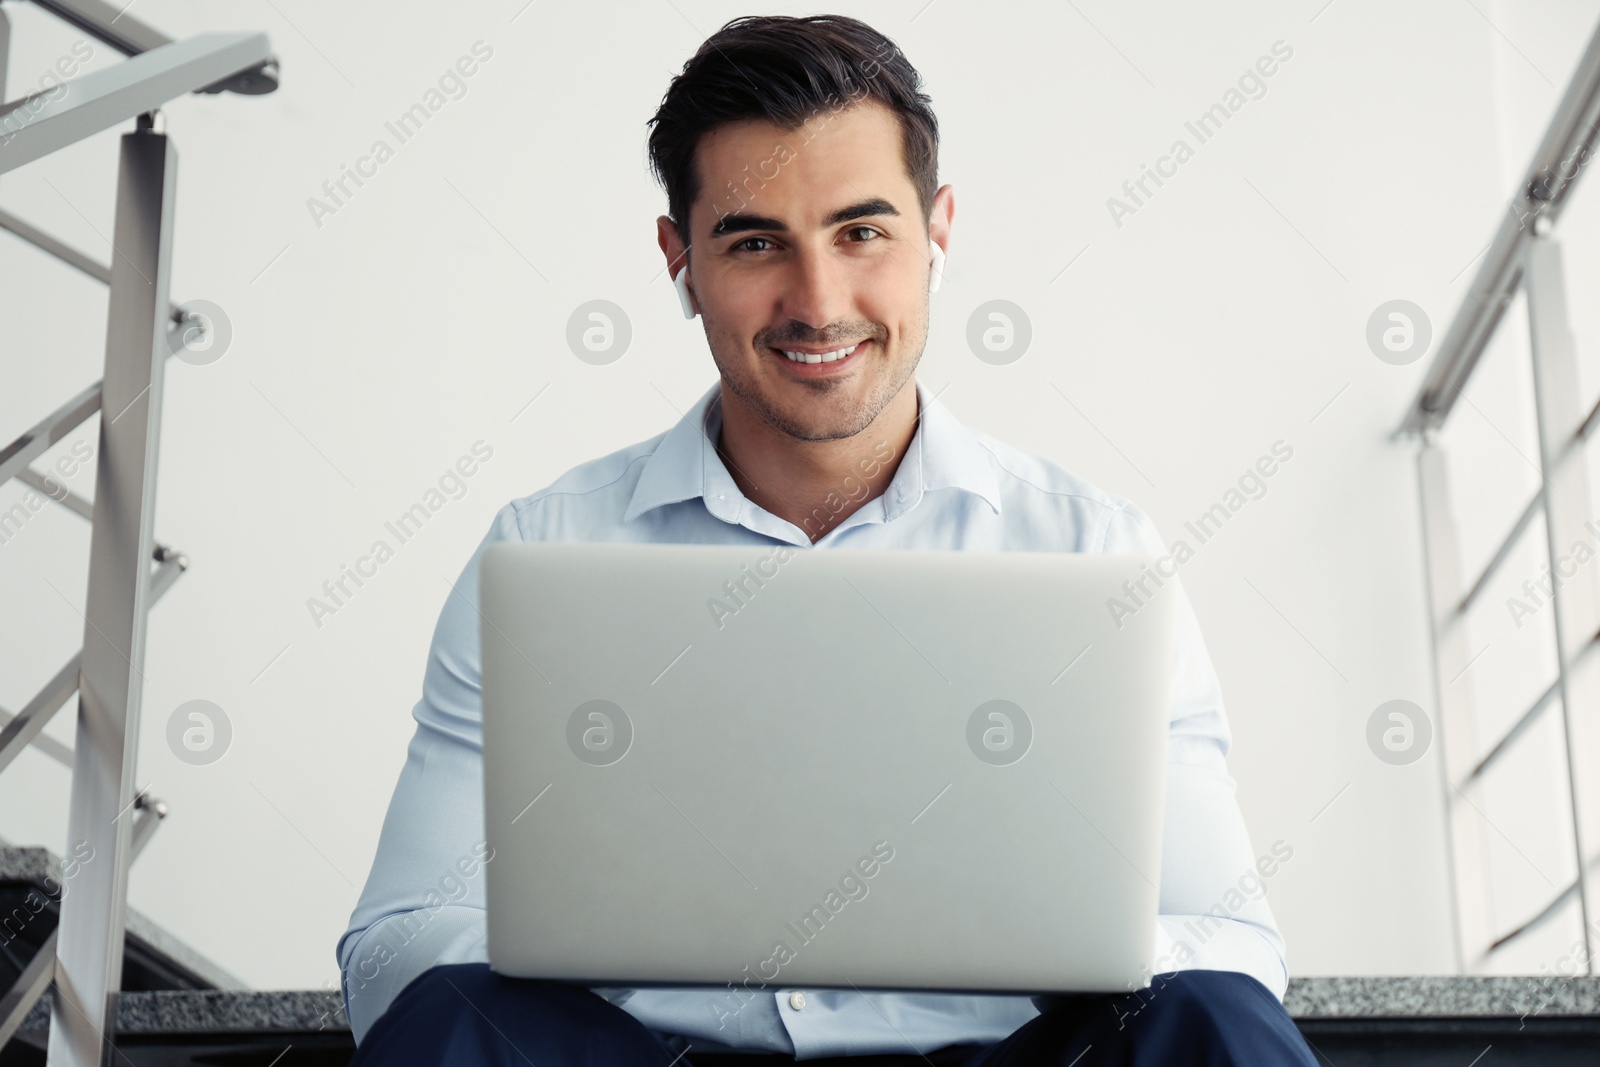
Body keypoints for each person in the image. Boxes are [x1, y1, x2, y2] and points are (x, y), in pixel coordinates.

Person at [337, 14, 1320, 1066]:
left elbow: (1226, 940)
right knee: (454, 1020)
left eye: (861, 233)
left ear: (936, 233)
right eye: (755, 242)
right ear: (679, 256)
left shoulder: (1092, 550)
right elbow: (399, 951)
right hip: (643, 1059)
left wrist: (1020, 926)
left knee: (1210, 1019)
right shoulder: (544, 547)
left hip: (999, 1060)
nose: (816, 303)